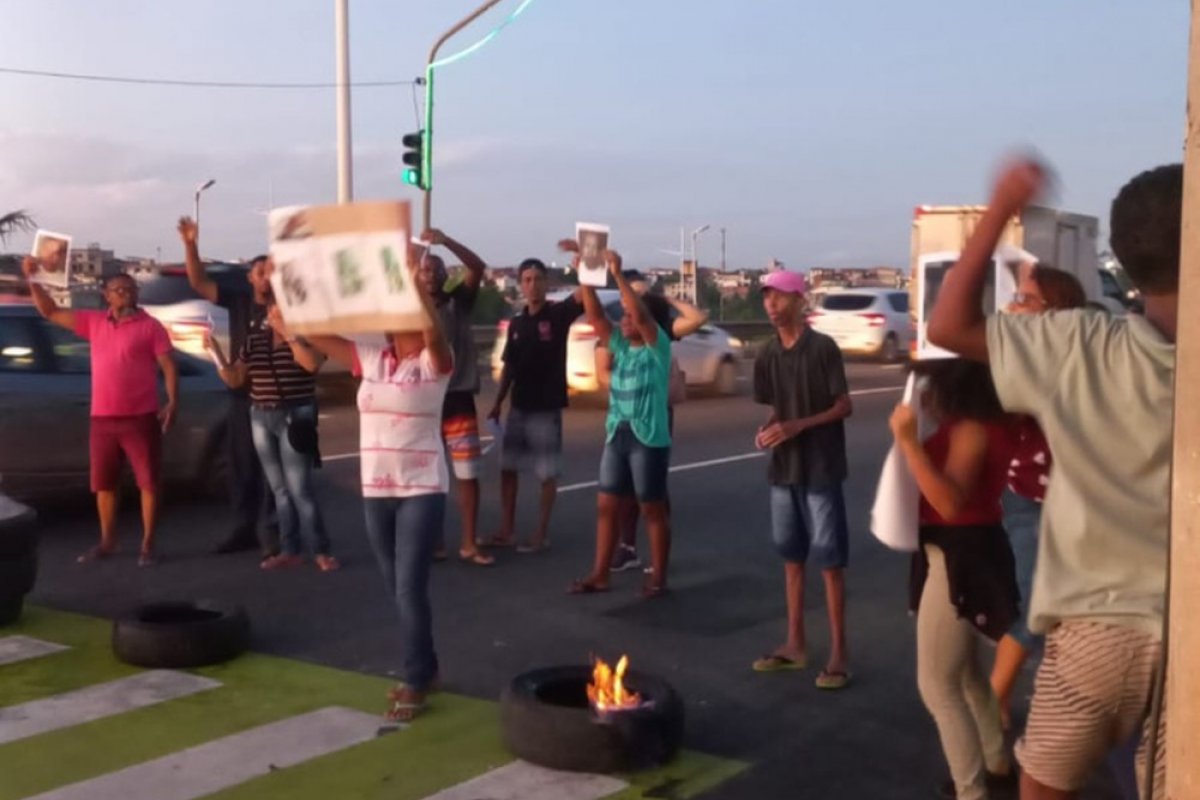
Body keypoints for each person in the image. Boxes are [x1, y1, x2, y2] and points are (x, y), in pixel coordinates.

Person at [928, 158, 1178, 799]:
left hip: (1102, 625)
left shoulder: (1086, 344)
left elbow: (947, 326)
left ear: (1122, 255)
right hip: (1188, 621)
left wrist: (1000, 206)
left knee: (1040, 786)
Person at [298, 251, 453, 722]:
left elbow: (434, 335)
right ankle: (425, 666)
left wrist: (416, 286)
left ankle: (413, 679)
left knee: (408, 587)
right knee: (395, 585)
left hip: (422, 487)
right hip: (376, 489)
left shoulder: (434, 361)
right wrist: (302, 293)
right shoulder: (372, 355)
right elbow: (316, 334)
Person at [890, 359, 1019, 800]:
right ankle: (996, 762)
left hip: (959, 553)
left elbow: (949, 501)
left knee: (937, 684)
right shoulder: (980, 422)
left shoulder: (972, 430)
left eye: (932, 386)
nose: (926, 396)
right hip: (968, 548)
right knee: (965, 674)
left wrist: (909, 444)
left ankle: (971, 790)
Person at [23, 262, 177, 566]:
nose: (126, 294)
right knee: (104, 483)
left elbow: (169, 366)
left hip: (141, 415)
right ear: (107, 295)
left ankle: (148, 544)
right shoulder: (94, 323)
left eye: (131, 289)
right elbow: (50, 311)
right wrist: (33, 280)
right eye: (119, 290)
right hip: (103, 417)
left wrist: (173, 401)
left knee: (148, 482)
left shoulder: (151, 327)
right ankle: (108, 541)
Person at [990, 264, 1086, 730]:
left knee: (1065, 612)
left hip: (1075, 500)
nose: (1014, 307)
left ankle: (1036, 707)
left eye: (1025, 300)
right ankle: (995, 706)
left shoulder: (1081, 357)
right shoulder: (1022, 359)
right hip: (1028, 495)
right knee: (1035, 608)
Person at [751, 269, 853, 690]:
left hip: (821, 467)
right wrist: (769, 429)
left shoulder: (822, 348)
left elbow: (843, 406)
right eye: (766, 298)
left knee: (829, 562)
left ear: (798, 301)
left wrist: (798, 427)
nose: (772, 305)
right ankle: (795, 644)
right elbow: (777, 408)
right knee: (791, 558)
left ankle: (839, 654)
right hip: (783, 469)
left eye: (779, 297)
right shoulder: (766, 354)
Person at [569, 250, 673, 597]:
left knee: (651, 508)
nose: (625, 321)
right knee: (606, 504)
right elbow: (596, 316)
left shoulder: (657, 348)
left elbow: (643, 317)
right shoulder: (620, 347)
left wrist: (616, 273)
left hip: (647, 438)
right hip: (618, 434)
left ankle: (658, 575)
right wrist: (585, 275)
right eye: (624, 317)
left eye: (629, 317)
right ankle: (600, 574)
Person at [206, 298, 336, 572]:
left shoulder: (308, 338)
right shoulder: (256, 341)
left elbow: (311, 364)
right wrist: (216, 352)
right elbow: (235, 379)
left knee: (300, 488)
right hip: (261, 416)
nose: (276, 314)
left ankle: (321, 550)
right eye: (273, 309)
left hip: (295, 417)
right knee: (279, 489)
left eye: (283, 309)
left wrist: (289, 336)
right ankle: (289, 549)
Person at [179, 217, 279, 558]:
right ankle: (243, 529)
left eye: (271, 271)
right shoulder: (238, 300)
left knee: (273, 469)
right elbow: (198, 280)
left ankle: (273, 533)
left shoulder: (289, 306)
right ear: (250, 278)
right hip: (242, 396)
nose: (266, 277)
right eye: (260, 272)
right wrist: (191, 244)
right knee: (242, 465)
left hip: (278, 397)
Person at [603, 280, 709, 574]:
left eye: (637, 298)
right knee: (623, 488)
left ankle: (658, 557)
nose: (630, 304)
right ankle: (627, 547)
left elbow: (698, 318)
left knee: (653, 489)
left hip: (656, 414)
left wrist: (664, 297)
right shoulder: (626, 328)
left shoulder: (660, 329)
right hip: (626, 414)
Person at [486, 259, 585, 553]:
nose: (532, 285)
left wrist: (583, 263)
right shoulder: (517, 324)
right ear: (520, 284)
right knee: (507, 468)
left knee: (546, 473)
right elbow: (509, 368)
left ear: (546, 283)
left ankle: (541, 533)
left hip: (546, 408)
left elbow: (584, 292)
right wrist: (497, 403)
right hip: (519, 407)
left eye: (537, 279)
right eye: (527, 279)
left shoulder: (558, 314)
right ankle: (507, 529)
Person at [415, 229, 493, 566]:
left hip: (458, 397)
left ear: (447, 275)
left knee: (466, 474)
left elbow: (477, 266)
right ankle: (434, 541)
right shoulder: (408, 309)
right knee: (428, 478)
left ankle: (468, 542)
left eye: (436, 269)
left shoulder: (458, 301)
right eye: (425, 269)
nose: (430, 274)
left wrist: (445, 241)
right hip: (424, 402)